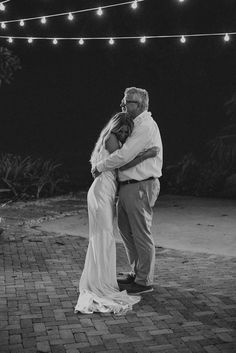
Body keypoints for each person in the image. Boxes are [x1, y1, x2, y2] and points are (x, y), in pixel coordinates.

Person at [74, 112, 158, 315]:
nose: (125, 133)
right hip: (102, 191)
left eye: (128, 131)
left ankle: (101, 279)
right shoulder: (111, 138)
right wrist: (147, 154)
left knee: (103, 236)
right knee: (103, 236)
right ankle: (100, 283)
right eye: (123, 129)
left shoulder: (113, 138)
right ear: (116, 125)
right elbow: (121, 163)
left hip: (106, 190)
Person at [92, 87, 163, 295]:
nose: (123, 105)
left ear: (141, 105)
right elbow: (124, 157)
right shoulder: (134, 125)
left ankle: (144, 281)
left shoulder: (146, 126)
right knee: (126, 230)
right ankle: (136, 272)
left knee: (141, 233)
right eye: (123, 102)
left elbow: (123, 157)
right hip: (128, 186)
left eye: (128, 102)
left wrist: (100, 166)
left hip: (140, 185)